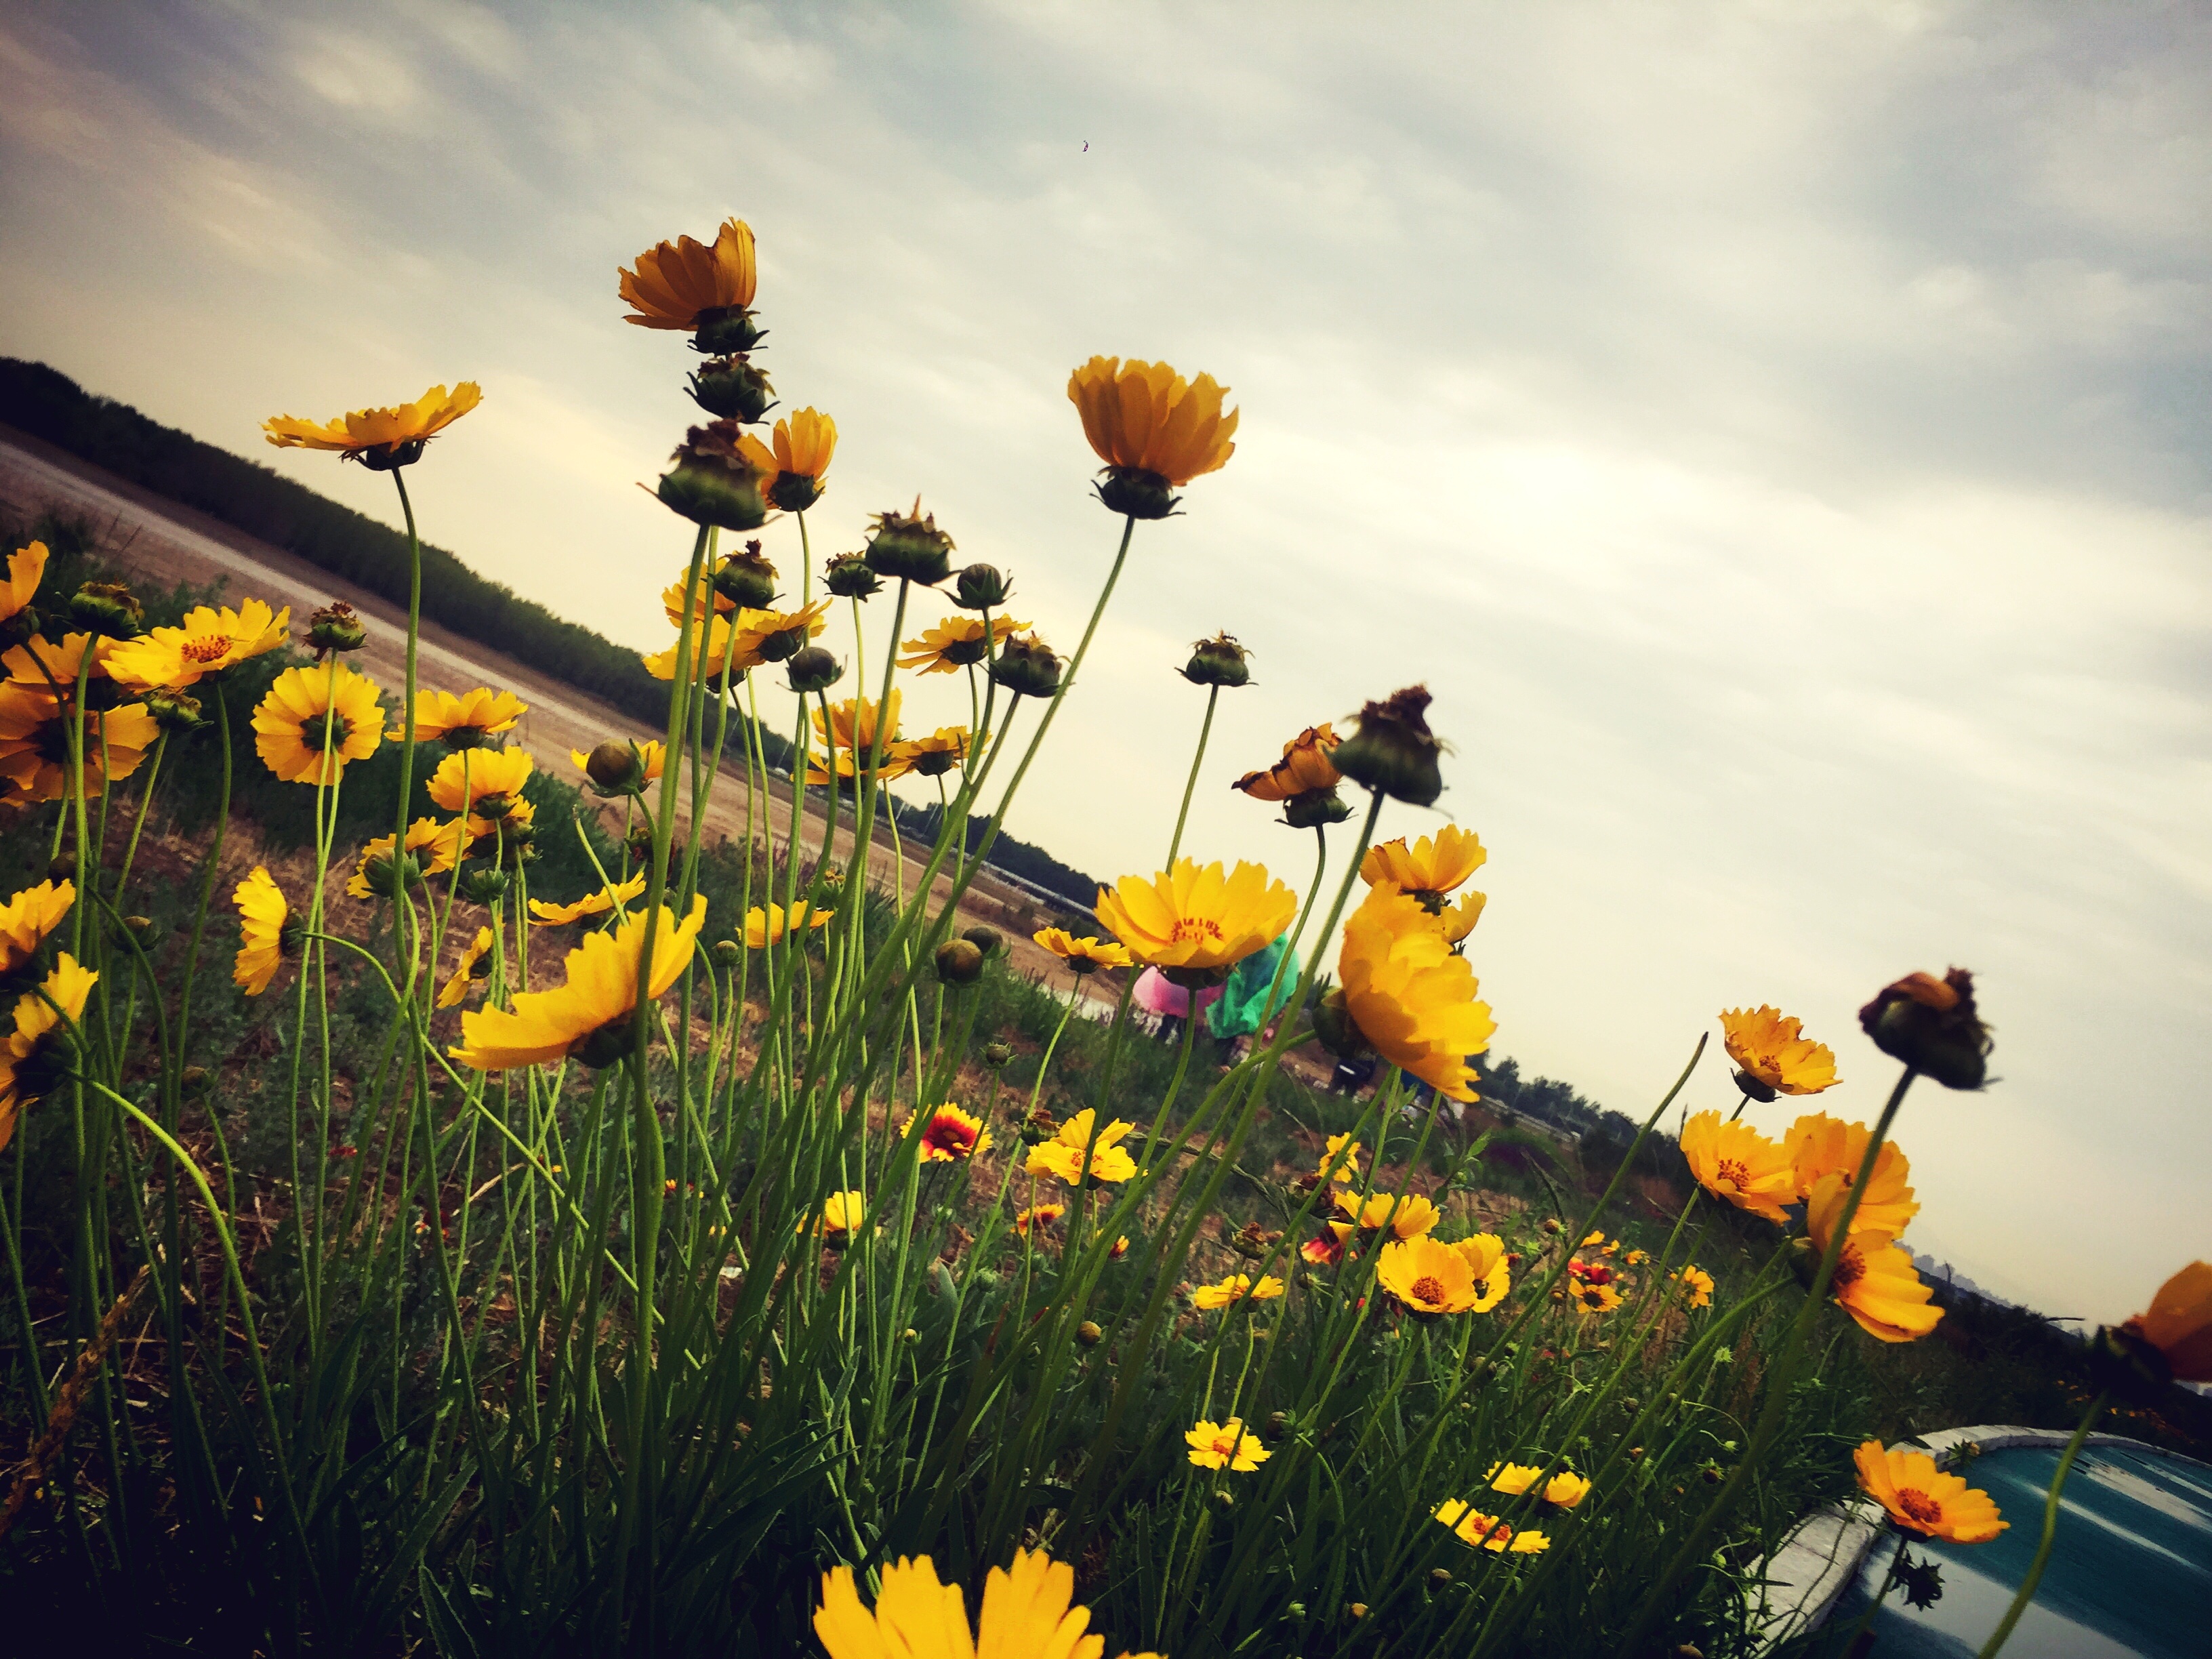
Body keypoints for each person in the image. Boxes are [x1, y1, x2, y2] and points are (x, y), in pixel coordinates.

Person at [1206, 931, 1300, 1067]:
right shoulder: (1275, 948)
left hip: (1240, 995)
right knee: (1226, 1029)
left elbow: (1279, 983)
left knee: (1227, 1030)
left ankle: (1216, 1063)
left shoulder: (1278, 950)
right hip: (1237, 994)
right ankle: (1216, 1063)